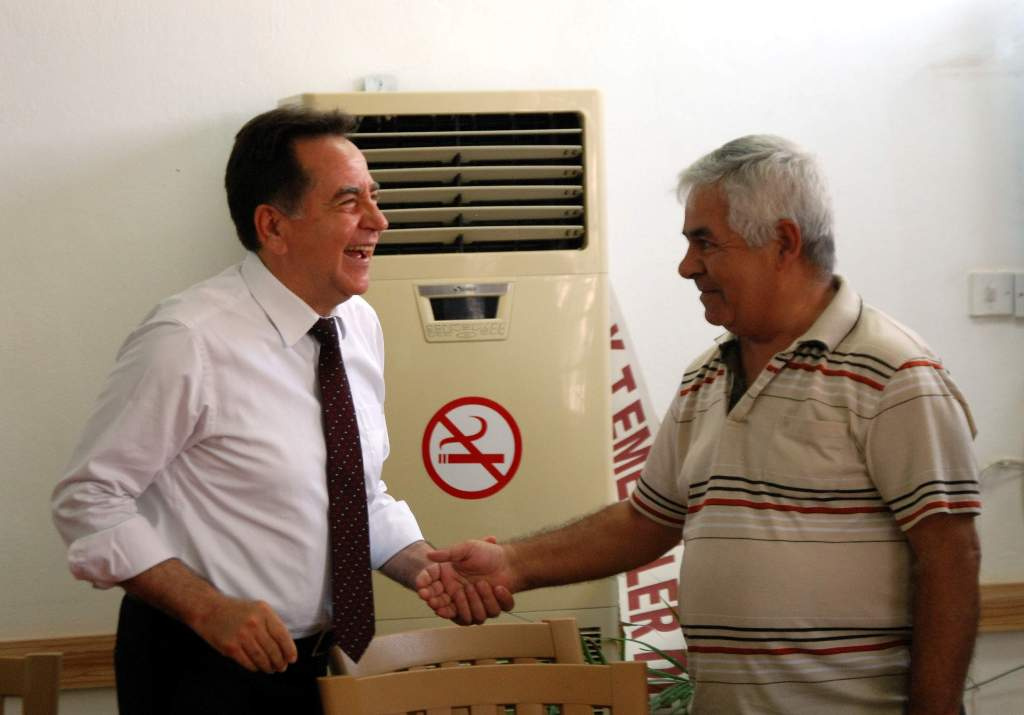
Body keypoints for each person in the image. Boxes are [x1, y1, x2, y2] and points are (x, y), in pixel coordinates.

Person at [417, 135, 982, 715]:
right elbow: (646, 521)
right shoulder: (705, 377)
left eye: (705, 242)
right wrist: (513, 564)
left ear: (784, 243)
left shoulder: (894, 375)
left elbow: (951, 558)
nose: (686, 266)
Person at [51, 107, 509, 715]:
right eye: (349, 202)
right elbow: (88, 500)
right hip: (199, 666)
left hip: (317, 664)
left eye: (374, 197)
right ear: (273, 225)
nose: (379, 221)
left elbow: (354, 494)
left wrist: (426, 565)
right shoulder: (187, 338)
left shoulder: (357, 324)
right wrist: (206, 608)